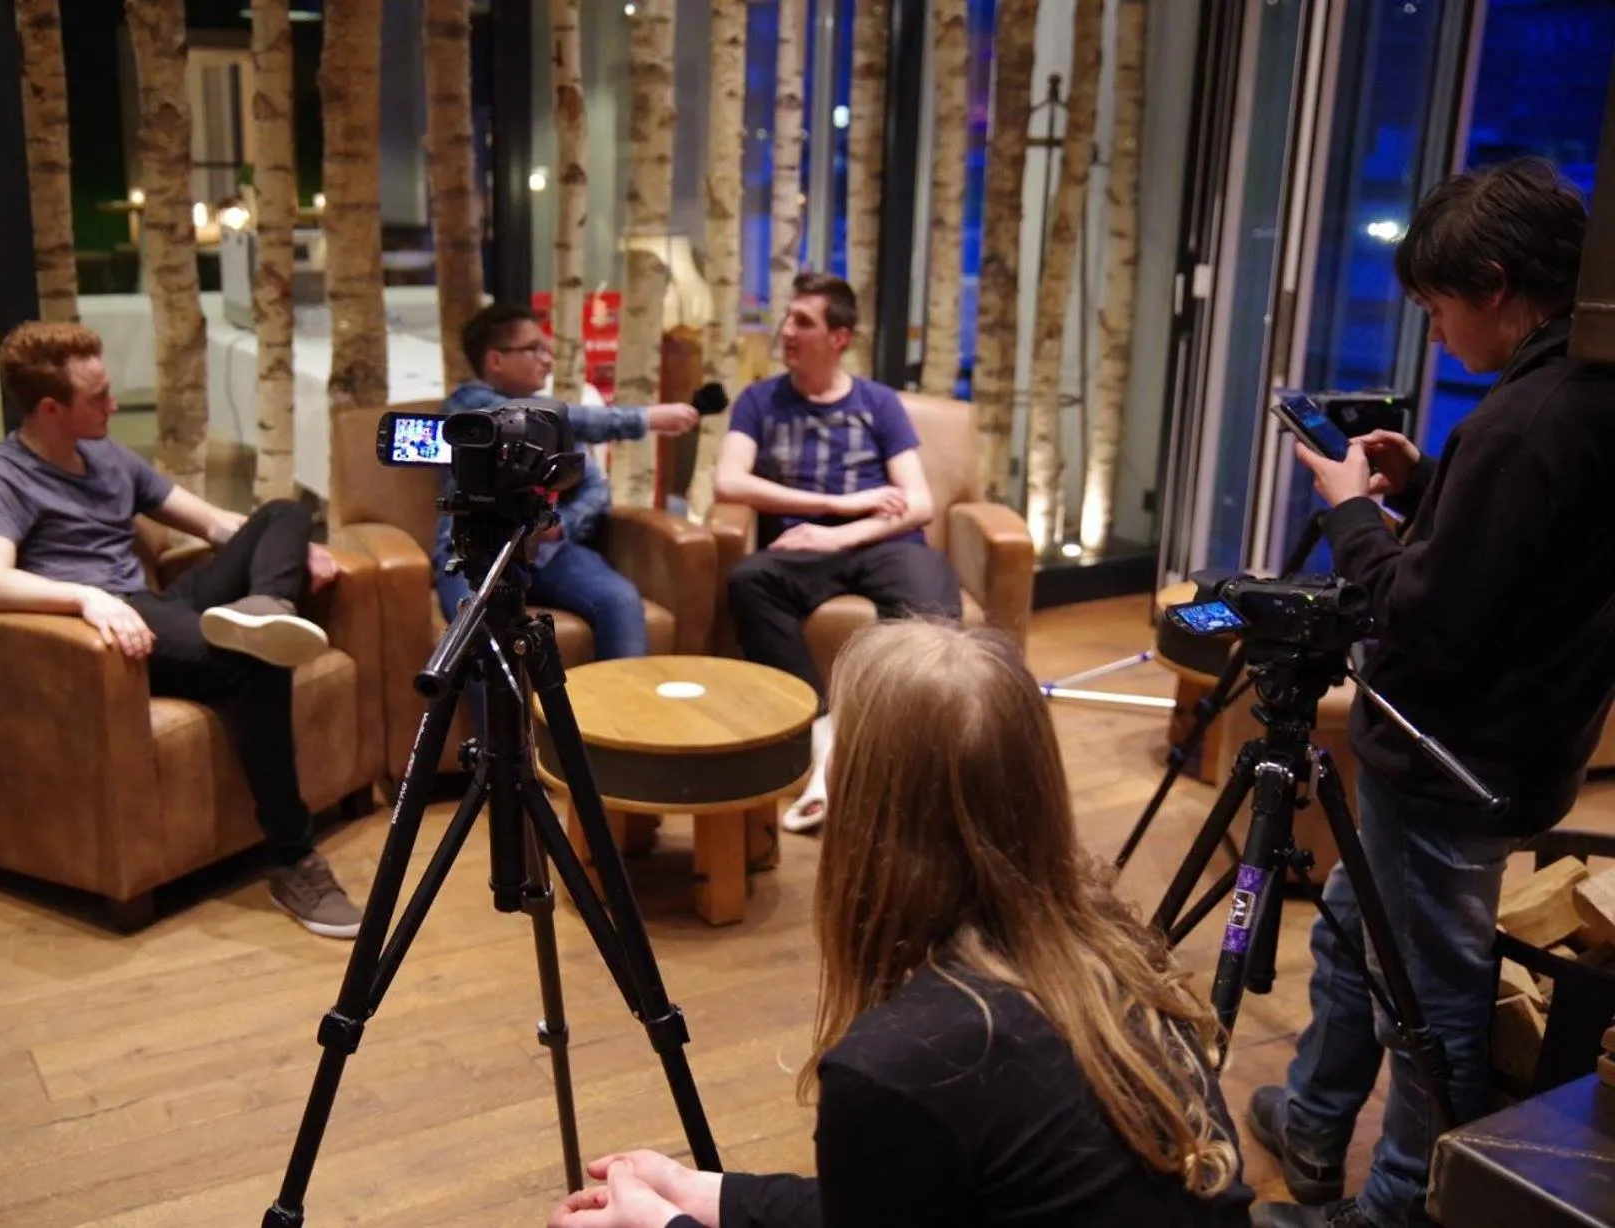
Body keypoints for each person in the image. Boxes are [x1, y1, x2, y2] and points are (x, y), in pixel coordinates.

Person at [546, 619, 1256, 1228]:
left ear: (867, 815)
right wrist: (705, 1193)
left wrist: (660, 1224)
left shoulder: (900, 1066)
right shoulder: (1115, 948)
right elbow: (901, 1200)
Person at [1249, 158, 1615, 1228]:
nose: (1436, 328)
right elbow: (1506, 572)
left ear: (1497, 282)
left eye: (1439, 304)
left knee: (1429, 999)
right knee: (1352, 942)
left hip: (1451, 758)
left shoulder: (1531, 418)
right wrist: (1425, 488)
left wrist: (1352, 510)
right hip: (1500, 748)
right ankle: (1315, 1125)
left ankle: (1399, 1205)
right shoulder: (1580, 392)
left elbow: (1420, 625)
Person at [0, 321, 364, 939]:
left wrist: (286, 554)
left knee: (285, 513)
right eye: (98, 398)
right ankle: (291, 858)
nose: (114, 406)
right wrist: (89, 600)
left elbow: (213, 523)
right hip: (109, 627)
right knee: (255, 665)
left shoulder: (106, 455)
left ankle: (266, 609)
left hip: (159, 602)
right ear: (49, 408)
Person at [712, 272, 962, 834]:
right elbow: (728, 483)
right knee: (749, 580)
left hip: (882, 540)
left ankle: (920, 756)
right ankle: (821, 737)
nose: (787, 331)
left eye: (804, 321)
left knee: (933, 614)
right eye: (788, 317)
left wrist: (840, 531)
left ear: (839, 338)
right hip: (801, 547)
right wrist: (829, 506)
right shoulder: (759, 400)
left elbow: (918, 503)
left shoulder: (878, 402)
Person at [432, 303, 698, 661]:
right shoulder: (467, 407)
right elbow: (537, 421)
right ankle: (507, 720)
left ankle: (616, 716)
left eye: (547, 349)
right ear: (496, 360)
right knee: (481, 636)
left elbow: (595, 487)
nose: (547, 359)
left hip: (546, 552)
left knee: (618, 600)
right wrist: (644, 419)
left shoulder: (551, 418)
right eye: (534, 349)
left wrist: (561, 526)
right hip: (474, 553)